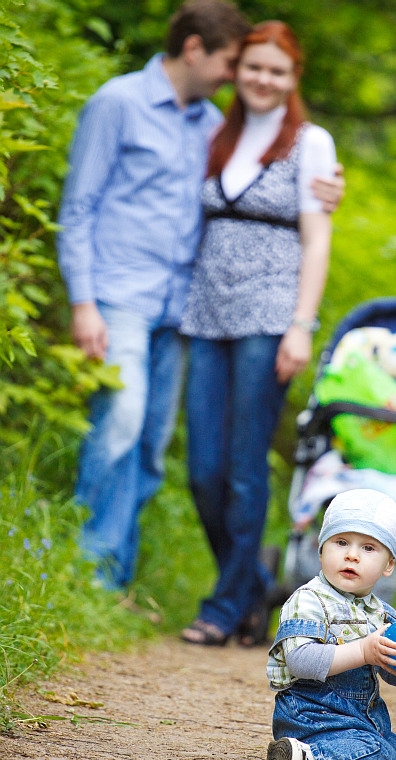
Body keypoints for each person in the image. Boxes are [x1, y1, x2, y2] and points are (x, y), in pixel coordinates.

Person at [56, 1, 342, 591]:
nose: (240, 76)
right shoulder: (117, 104)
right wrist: (82, 300)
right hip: (120, 294)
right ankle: (84, 574)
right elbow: (78, 206)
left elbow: (280, 175)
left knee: (152, 448)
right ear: (195, 50)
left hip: (181, 306)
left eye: (259, 67)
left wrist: (330, 187)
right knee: (120, 425)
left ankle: (113, 578)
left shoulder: (213, 125)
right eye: (235, 63)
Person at [180, 21, 336, 646]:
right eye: (254, 68)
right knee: (201, 469)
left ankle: (223, 606)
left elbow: (318, 237)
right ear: (238, 70)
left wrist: (301, 325)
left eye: (278, 70)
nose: (264, 80)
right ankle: (247, 587)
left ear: (293, 77)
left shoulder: (311, 142)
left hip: (269, 317)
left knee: (244, 467)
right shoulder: (219, 133)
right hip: (206, 313)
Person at [265, 488, 396, 760]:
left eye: (368, 548)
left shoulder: (382, 614)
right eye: (341, 542)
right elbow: (300, 662)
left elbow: (392, 676)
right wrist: (363, 652)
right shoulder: (308, 600)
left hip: (362, 722)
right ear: (321, 550)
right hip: (312, 718)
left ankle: (325, 755)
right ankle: (304, 756)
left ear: (388, 565)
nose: (351, 555)